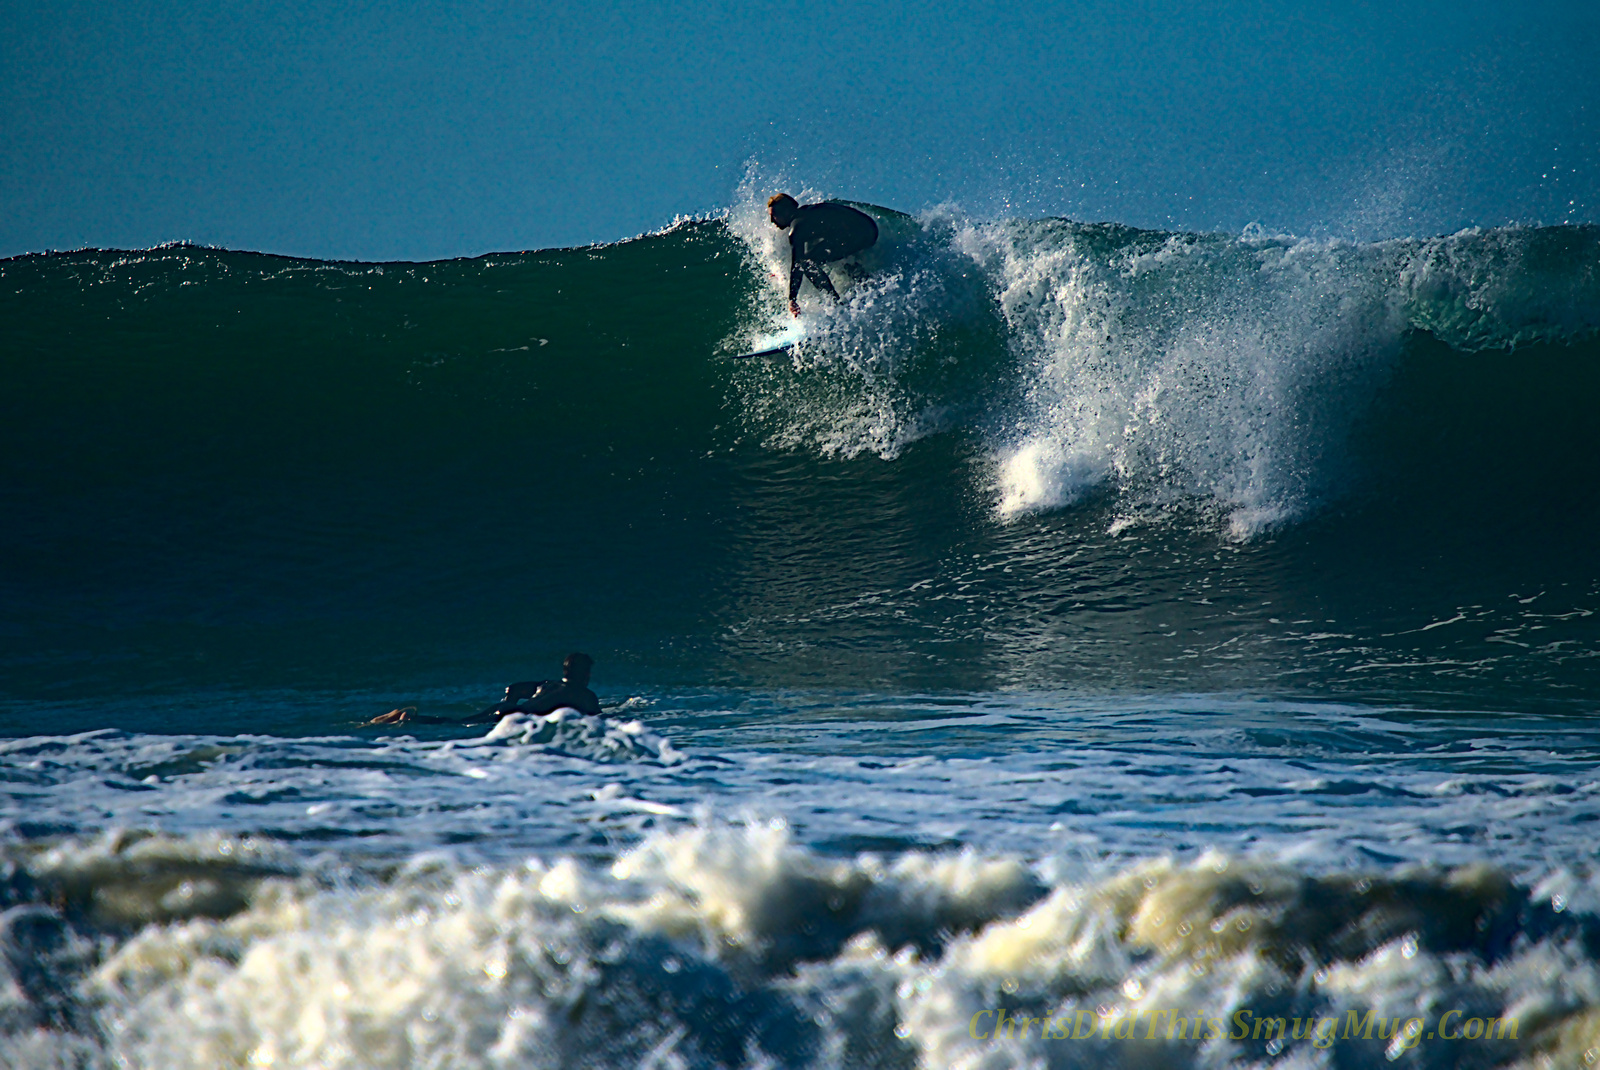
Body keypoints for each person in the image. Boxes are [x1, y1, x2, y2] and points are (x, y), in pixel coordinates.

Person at [366, 652, 602, 726]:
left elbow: (515, 688)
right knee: (457, 724)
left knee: (457, 721)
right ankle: (408, 719)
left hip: (506, 708)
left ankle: (405, 716)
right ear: (586, 674)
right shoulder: (585, 695)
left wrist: (508, 703)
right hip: (513, 716)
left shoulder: (550, 684)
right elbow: (596, 721)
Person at [767, 193, 879, 315]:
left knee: (807, 263)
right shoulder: (808, 213)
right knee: (814, 255)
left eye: (774, 216)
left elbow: (797, 264)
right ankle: (860, 276)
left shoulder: (797, 228)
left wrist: (792, 299)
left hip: (859, 234)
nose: (772, 220)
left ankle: (836, 302)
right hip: (869, 227)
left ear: (786, 211)